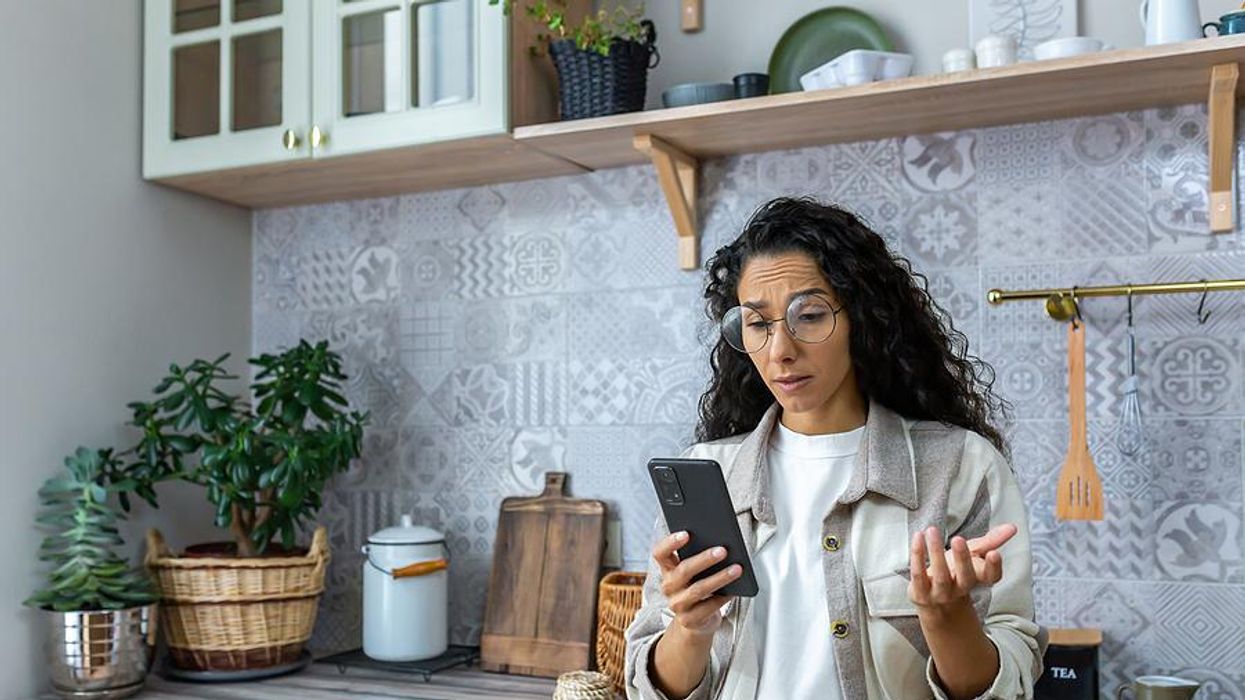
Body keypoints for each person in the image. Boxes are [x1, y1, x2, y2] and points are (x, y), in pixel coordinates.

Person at [624, 197, 1043, 700]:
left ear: (861, 319)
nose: (781, 350)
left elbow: (1012, 680)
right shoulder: (707, 472)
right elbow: (650, 687)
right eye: (758, 324)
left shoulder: (960, 467)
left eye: (810, 315)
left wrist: (946, 617)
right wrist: (690, 629)